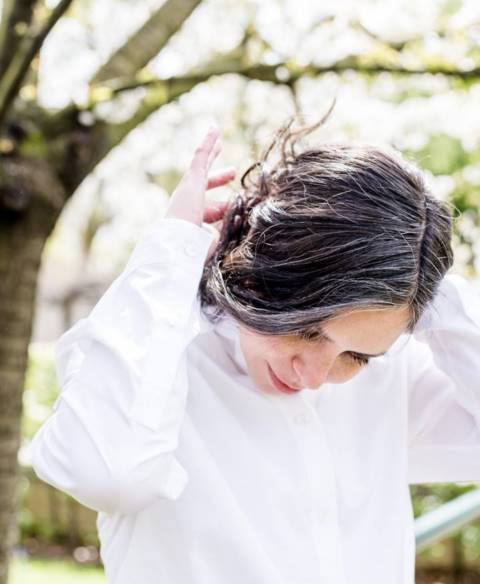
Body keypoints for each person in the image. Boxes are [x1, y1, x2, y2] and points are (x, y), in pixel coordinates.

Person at [29, 110, 480, 584]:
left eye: (356, 356)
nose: (313, 376)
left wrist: (417, 265)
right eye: (307, 331)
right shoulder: (152, 354)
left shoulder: (393, 375)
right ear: (262, 269)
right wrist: (171, 249)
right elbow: (106, 475)